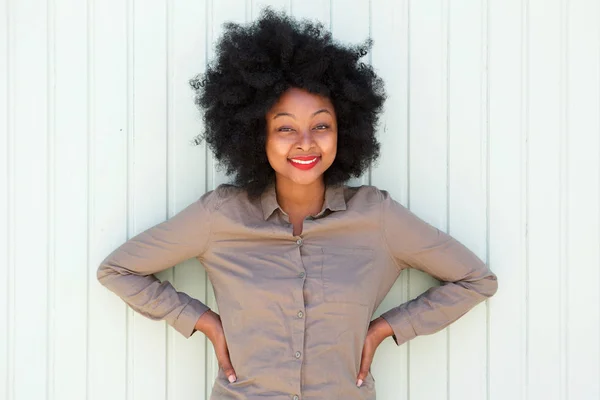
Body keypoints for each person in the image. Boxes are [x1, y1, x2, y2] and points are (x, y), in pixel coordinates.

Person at [97, 8, 498, 400]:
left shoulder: (377, 218)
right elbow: (118, 269)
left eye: (321, 125)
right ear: (258, 134)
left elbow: (475, 280)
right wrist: (206, 323)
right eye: (285, 127)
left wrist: (384, 329)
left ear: (344, 130)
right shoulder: (220, 216)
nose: (305, 142)